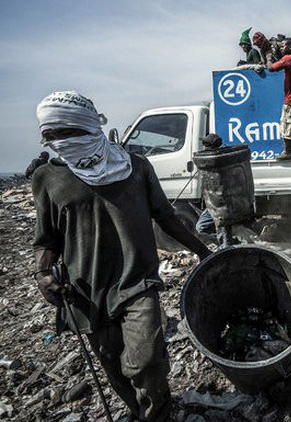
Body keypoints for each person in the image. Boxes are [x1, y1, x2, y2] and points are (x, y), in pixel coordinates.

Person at [32, 91, 213, 421]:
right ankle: (137, 410)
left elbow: (167, 217)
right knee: (112, 363)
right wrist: (43, 273)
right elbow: (46, 239)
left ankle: (159, 412)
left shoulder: (135, 167)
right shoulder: (47, 178)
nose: (58, 142)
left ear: (88, 127)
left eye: (65, 133)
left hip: (137, 282)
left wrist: (204, 251)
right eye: (50, 136)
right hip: (85, 290)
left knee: (146, 361)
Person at [195, 133, 223, 241]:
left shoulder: (212, 161)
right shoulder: (220, 158)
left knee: (200, 228)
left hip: (216, 202)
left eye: (205, 144)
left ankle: (225, 245)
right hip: (216, 201)